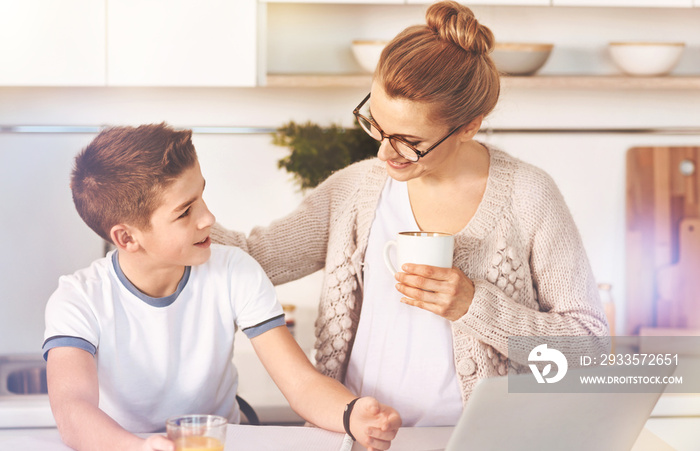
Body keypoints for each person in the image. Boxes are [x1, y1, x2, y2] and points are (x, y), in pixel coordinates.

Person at [211, 0, 609, 428]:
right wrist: (162, 210)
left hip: (482, 439)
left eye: (409, 140)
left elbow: (588, 349)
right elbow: (251, 256)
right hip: (359, 438)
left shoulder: (528, 196)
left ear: (469, 125)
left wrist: (474, 305)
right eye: (376, 126)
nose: (384, 152)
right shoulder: (355, 190)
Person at [42, 123, 401, 451]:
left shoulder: (234, 270)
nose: (208, 218)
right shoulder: (78, 299)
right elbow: (73, 410)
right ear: (126, 238)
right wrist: (139, 448)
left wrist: (351, 414)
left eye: (201, 196)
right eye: (185, 212)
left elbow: (300, 384)